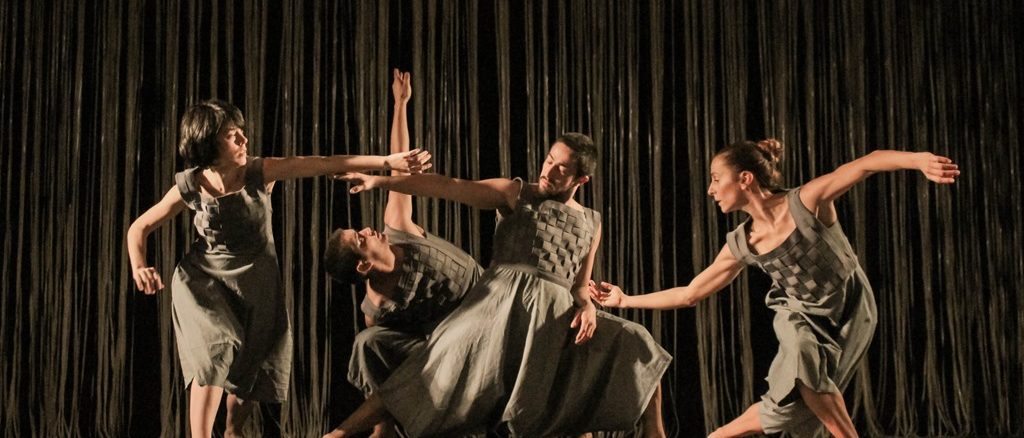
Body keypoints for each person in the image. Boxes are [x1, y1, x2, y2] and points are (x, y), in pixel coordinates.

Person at [590, 139, 960, 438]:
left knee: (793, 407)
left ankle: (721, 434)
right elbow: (690, 293)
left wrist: (918, 160)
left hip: (851, 310)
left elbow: (866, 163)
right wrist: (626, 299)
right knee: (799, 350)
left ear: (745, 179)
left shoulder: (806, 202)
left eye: (716, 179)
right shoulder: (743, 243)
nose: (710, 189)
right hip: (797, 314)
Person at [325, 133, 671, 438]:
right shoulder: (516, 193)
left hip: (552, 316)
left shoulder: (592, 222)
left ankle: (654, 433)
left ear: (581, 179)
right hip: (500, 306)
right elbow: (450, 186)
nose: (548, 171)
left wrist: (588, 305)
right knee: (426, 371)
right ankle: (339, 433)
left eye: (561, 168)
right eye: (549, 160)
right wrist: (378, 181)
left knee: (635, 339)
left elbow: (580, 285)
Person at [126, 99, 431, 438]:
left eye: (241, 132)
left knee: (253, 365)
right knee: (214, 352)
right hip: (204, 281)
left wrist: (386, 161)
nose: (243, 139)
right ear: (208, 143)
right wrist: (140, 266)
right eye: (231, 135)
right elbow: (139, 228)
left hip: (256, 283)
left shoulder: (259, 172)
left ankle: (233, 432)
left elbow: (323, 163)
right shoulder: (192, 184)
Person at [323, 70, 483, 437]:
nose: (368, 230)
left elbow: (400, 170)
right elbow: (388, 358)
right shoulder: (377, 309)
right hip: (450, 343)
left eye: (361, 229)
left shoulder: (397, 226)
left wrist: (400, 105)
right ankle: (383, 429)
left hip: (485, 302)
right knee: (367, 344)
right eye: (361, 238)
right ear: (363, 265)